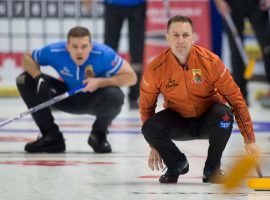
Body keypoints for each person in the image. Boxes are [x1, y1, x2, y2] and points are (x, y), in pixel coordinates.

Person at [140, 15, 260, 184]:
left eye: (185, 35)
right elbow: (146, 108)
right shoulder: (155, 69)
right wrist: (153, 145)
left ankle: (212, 169)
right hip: (178, 122)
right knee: (149, 127)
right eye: (175, 35)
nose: (181, 40)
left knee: (224, 115)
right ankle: (176, 164)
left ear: (193, 37)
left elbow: (236, 100)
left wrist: (250, 141)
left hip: (209, 121)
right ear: (167, 38)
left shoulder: (211, 62)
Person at [16, 26, 137, 153]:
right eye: (74, 47)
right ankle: (51, 136)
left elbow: (131, 77)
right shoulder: (55, 51)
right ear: (67, 46)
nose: (79, 51)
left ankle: (98, 135)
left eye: (84, 47)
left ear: (90, 46)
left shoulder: (104, 54)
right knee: (24, 79)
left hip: (94, 99)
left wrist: (100, 82)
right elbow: (27, 57)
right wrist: (38, 77)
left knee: (115, 96)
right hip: (64, 96)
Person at [83, 0, 146, 109]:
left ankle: (133, 97)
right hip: (113, 5)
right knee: (108, 53)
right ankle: (108, 93)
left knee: (137, 54)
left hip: (138, 5)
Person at [214, 0, 270, 106]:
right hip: (231, 4)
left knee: (268, 45)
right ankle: (241, 96)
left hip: (257, 3)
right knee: (236, 50)